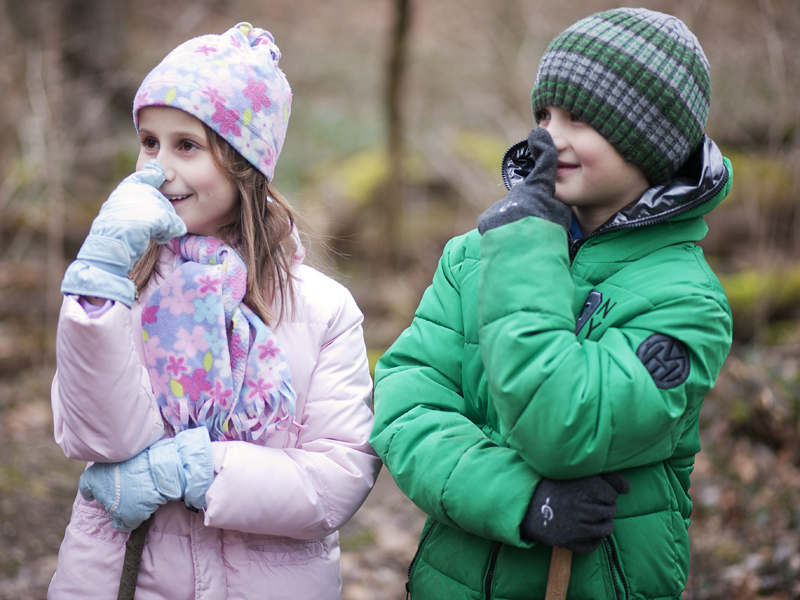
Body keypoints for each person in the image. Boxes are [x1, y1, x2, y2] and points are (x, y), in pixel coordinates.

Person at [371, 8, 732, 599]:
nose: (547, 137)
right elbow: (405, 404)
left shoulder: (687, 302)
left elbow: (563, 427)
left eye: (581, 119)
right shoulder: (477, 255)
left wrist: (526, 247)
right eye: (544, 114)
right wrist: (520, 499)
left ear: (651, 142)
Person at [49, 23, 381, 600]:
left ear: (244, 163)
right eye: (148, 142)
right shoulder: (123, 283)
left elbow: (336, 482)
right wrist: (98, 283)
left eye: (187, 146)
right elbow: (96, 437)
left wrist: (194, 467)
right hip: (119, 577)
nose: (159, 168)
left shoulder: (322, 308)